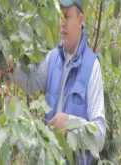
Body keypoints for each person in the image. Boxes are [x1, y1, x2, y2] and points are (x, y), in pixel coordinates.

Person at [7, 0, 106, 164]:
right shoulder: (53, 58)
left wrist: (70, 125)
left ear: (80, 20)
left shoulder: (92, 67)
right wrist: (9, 64)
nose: (62, 24)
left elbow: (100, 136)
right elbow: (31, 82)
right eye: (61, 17)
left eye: (66, 17)